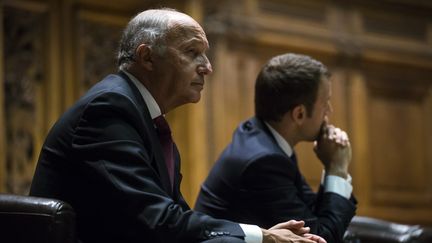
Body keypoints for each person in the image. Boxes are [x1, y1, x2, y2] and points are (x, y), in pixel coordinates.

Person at [29, 9, 326, 243]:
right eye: (192, 52)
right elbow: (158, 221)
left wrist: (261, 234)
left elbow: (176, 218)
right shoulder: (108, 110)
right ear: (147, 57)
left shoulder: (144, 116)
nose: (207, 66)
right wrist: (261, 236)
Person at [195, 53, 357, 243]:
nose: (329, 111)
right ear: (299, 114)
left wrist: (332, 170)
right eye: (325, 103)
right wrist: (337, 169)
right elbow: (321, 239)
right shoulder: (263, 161)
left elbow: (312, 215)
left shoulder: (265, 140)